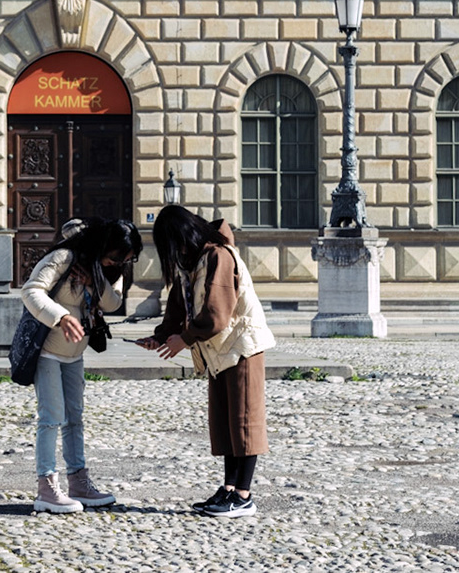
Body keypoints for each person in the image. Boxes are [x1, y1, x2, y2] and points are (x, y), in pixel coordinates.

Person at [138, 204, 277, 519]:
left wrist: (184, 340)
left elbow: (216, 315)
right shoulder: (192, 262)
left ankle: (243, 494)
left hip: (242, 346)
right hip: (218, 351)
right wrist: (161, 337)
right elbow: (177, 307)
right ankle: (228, 489)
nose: (173, 252)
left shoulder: (218, 256)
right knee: (225, 424)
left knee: (244, 423)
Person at [18, 217, 141, 514]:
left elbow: (112, 304)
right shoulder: (63, 258)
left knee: (75, 418)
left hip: (75, 354)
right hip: (48, 350)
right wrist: (60, 316)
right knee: (51, 417)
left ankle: (78, 482)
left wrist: (95, 280)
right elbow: (31, 290)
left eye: (125, 260)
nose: (117, 264)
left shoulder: (102, 268)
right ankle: (46, 488)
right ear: (103, 246)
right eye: (115, 257)